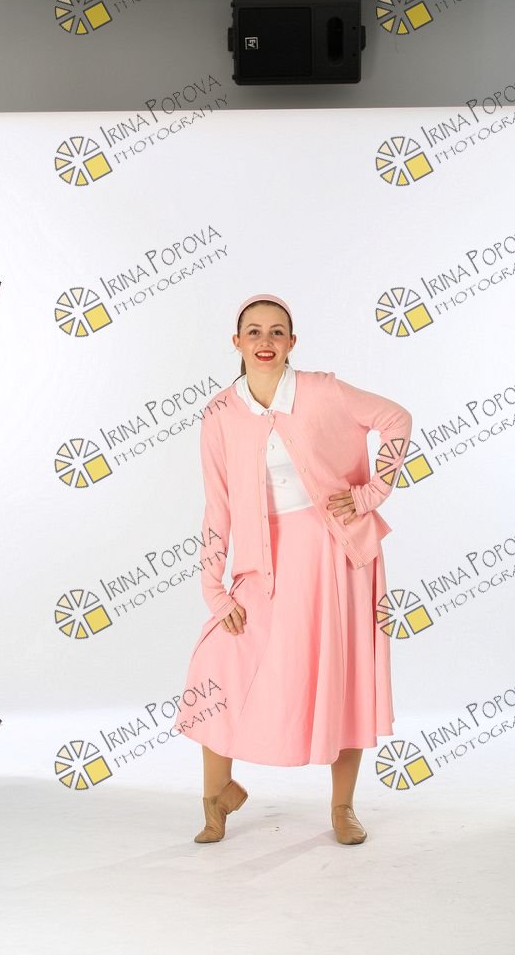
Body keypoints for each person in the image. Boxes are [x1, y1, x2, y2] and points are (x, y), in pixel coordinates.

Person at [176, 293, 412, 845]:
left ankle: (343, 807)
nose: (266, 341)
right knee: (218, 664)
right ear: (237, 342)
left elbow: (396, 420)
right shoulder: (219, 413)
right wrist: (214, 588)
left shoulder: (323, 390)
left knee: (343, 675)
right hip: (264, 562)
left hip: (336, 554)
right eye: (254, 332)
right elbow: (217, 504)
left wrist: (371, 493)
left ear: (291, 342)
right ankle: (217, 796)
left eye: (277, 332)